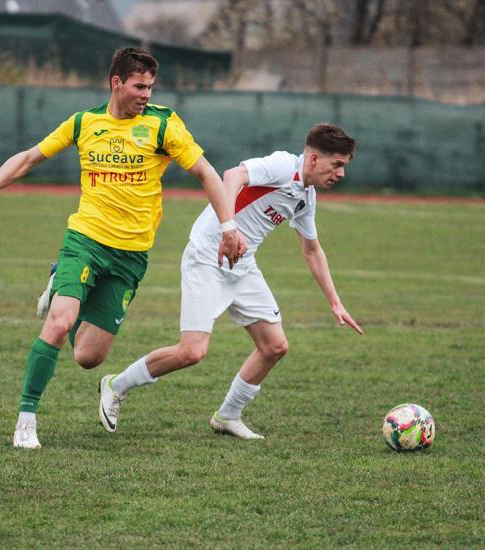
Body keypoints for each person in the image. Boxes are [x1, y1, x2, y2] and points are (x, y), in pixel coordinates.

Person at [0, 47, 244, 449]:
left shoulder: (163, 125)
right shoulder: (84, 122)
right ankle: (26, 419)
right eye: (139, 86)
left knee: (88, 357)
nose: (146, 93)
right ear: (116, 82)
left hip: (131, 256)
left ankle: (59, 286)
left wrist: (229, 225)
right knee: (57, 323)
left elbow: (207, 173)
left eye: (151, 87)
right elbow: (30, 158)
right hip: (85, 240)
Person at [98, 123, 364, 439]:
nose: (341, 174)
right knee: (191, 352)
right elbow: (231, 175)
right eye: (337, 165)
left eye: (344, 167)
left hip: (242, 265)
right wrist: (228, 229)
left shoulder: (306, 196)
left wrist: (335, 301)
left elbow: (312, 249)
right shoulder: (282, 166)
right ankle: (116, 385)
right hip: (208, 255)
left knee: (274, 346)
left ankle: (227, 416)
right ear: (314, 159)